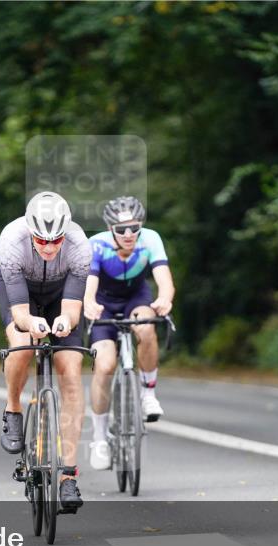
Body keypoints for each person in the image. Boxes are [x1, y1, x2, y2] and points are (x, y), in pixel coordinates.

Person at [0, 191, 92, 511]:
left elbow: (73, 307)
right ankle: (13, 409)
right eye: (42, 240)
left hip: (60, 294)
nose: (50, 247)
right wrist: (30, 323)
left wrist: (65, 320)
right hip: (21, 291)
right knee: (22, 347)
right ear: (30, 231)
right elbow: (21, 312)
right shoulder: (12, 241)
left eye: (56, 241)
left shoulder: (79, 245)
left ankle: (68, 477)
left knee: (71, 373)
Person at [83, 196, 175, 471]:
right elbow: (89, 284)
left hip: (136, 296)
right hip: (104, 302)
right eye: (121, 229)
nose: (128, 235)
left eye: (134, 228)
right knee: (105, 365)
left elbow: (164, 279)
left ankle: (148, 394)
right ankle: (99, 437)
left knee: (146, 328)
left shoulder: (150, 239)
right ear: (110, 228)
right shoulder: (96, 244)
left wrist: (165, 300)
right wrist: (89, 303)